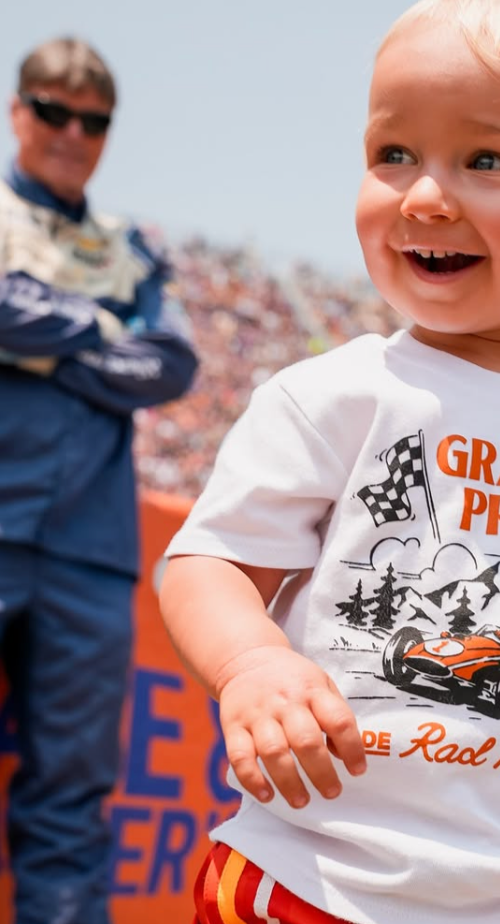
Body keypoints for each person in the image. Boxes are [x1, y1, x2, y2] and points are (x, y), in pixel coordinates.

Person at [160, 2, 500, 923]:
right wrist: (251, 664)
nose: (424, 196)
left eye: (486, 161)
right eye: (393, 153)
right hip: (315, 876)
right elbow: (208, 562)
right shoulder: (334, 395)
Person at [0, 37, 198, 924]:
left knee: (72, 803)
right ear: (17, 111)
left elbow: (172, 362)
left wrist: (43, 346)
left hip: (89, 550)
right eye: (51, 110)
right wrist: (100, 328)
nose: (71, 132)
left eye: (93, 120)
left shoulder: (135, 248)